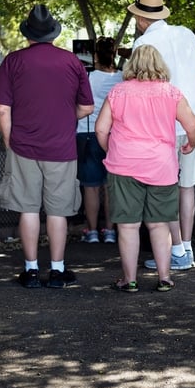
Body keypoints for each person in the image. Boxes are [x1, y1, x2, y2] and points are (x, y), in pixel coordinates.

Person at [0, 4, 94, 289]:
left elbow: (3, 110)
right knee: (58, 211)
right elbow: (86, 107)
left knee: (28, 208)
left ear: (28, 34)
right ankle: (58, 271)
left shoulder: (13, 61)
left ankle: (32, 270)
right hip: (62, 148)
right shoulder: (72, 62)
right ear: (53, 34)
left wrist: (9, 141)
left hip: (23, 146)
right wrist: (63, 116)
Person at [95, 45, 195, 292]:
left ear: (132, 64)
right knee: (160, 224)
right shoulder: (172, 93)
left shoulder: (118, 92)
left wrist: (111, 149)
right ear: (159, 64)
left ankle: (129, 280)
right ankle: (164, 278)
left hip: (124, 166)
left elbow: (101, 128)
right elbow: (193, 126)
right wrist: (190, 145)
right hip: (161, 166)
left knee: (128, 226)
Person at [127, 0, 195, 270]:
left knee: (164, 190)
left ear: (141, 19)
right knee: (185, 187)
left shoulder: (143, 46)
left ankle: (176, 251)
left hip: (159, 128)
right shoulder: (186, 34)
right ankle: (186, 249)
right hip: (190, 125)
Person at [77, 37, 123, 244]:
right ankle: (111, 231)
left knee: (91, 186)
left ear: (95, 55)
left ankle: (93, 231)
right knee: (111, 185)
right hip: (115, 135)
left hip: (87, 134)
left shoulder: (86, 76)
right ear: (114, 54)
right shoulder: (122, 78)